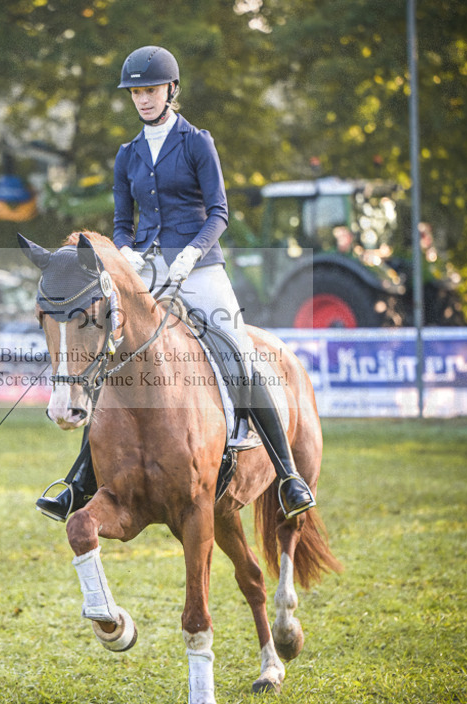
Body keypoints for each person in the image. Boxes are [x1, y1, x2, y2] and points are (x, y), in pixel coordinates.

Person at [37, 45, 316, 522]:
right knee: (111, 357)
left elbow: (219, 212)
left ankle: (288, 475)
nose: (143, 99)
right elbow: (123, 222)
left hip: (201, 266)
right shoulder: (127, 154)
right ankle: (78, 480)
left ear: (171, 90)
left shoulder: (196, 142)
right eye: (136, 93)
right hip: (144, 271)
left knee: (237, 349)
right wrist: (125, 254)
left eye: (151, 90)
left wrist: (191, 254)